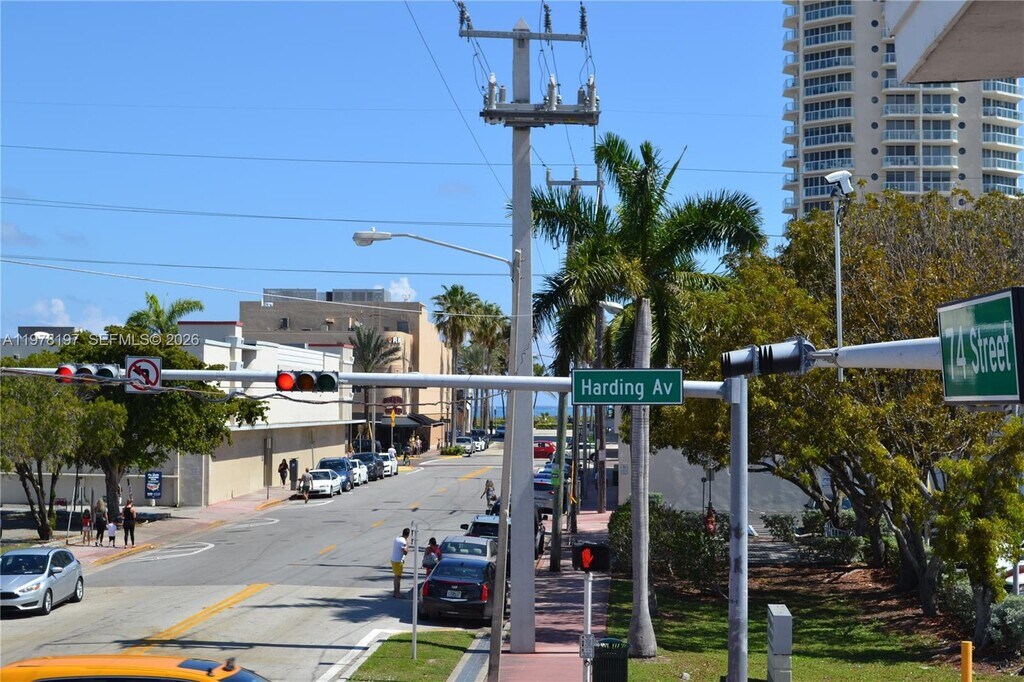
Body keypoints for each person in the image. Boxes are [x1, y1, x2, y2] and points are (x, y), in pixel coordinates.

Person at [391, 527, 410, 598]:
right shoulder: (403, 541)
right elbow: (405, 552)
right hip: (398, 561)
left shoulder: (397, 538)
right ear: (408, 535)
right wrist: (407, 544)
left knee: (396, 576)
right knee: (398, 578)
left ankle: (395, 592)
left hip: (394, 560)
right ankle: (397, 593)